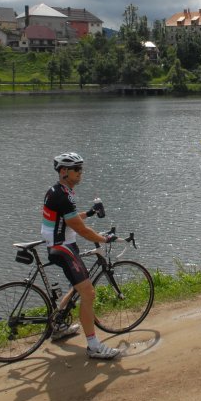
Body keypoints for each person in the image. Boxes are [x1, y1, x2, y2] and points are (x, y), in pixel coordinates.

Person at [42, 151, 119, 360]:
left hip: (62, 244)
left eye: (81, 168)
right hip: (63, 248)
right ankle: (93, 346)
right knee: (88, 293)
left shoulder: (59, 191)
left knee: (77, 286)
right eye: (76, 169)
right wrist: (105, 239)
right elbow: (82, 230)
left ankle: (57, 325)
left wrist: (91, 213)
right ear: (64, 171)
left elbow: (70, 219)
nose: (80, 173)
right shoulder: (63, 196)